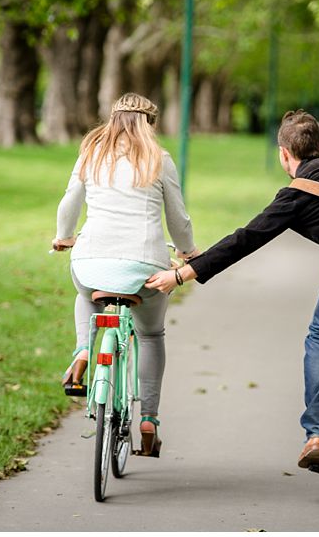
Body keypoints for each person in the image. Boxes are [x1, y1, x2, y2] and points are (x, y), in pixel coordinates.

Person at [145, 110, 319, 469]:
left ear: (284, 153)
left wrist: (183, 273)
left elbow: (246, 238)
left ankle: (316, 434)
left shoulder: (295, 194)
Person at [52, 92, 197, 457]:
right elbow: (177, 218)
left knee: (85, 294)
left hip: (91, 259)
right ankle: (149, 418)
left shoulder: (92, 154)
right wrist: (187, 252)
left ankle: (84, 349)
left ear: (112, 119)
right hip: (145, 266)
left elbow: (70, 202)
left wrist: (64, 237)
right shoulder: (159, 159)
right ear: (150, 124)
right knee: (150, 335)